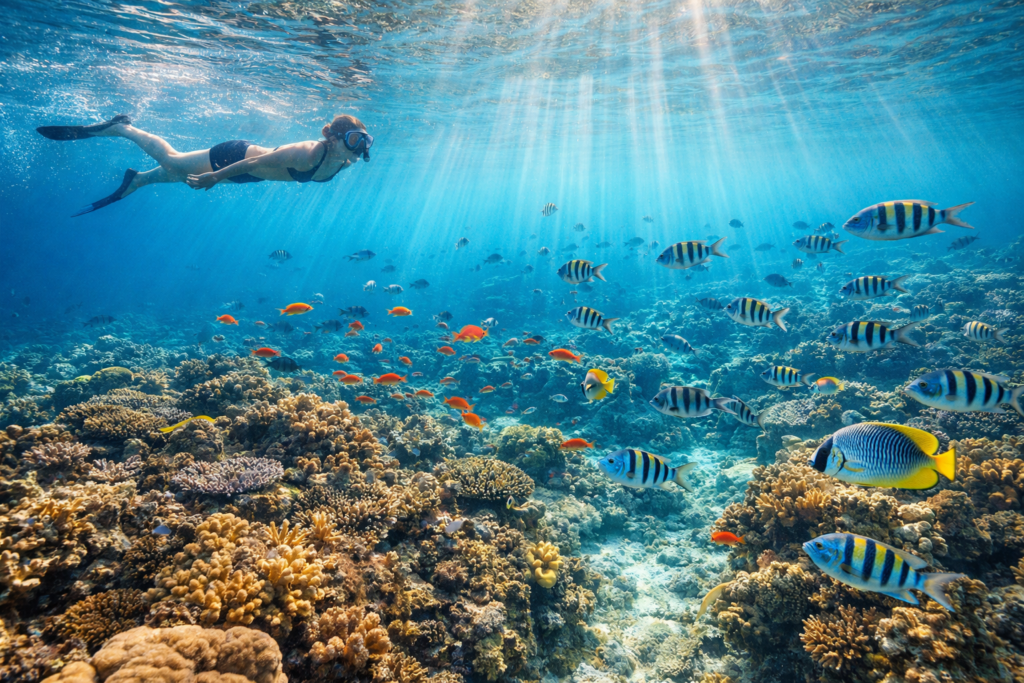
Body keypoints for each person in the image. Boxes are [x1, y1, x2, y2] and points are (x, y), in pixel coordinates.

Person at [36, 114, 373, 216]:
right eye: (356, 140)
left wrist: (221, 179)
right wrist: (215, 176)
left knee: (177, 175)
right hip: (237, 159)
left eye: (366, 142)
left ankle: (137, 180)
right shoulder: (309, 153)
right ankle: (122, 128)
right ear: (336, 138)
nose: (361, 149)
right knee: (173, 161)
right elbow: (258, 160)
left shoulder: (343, 163)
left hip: (248, 178)